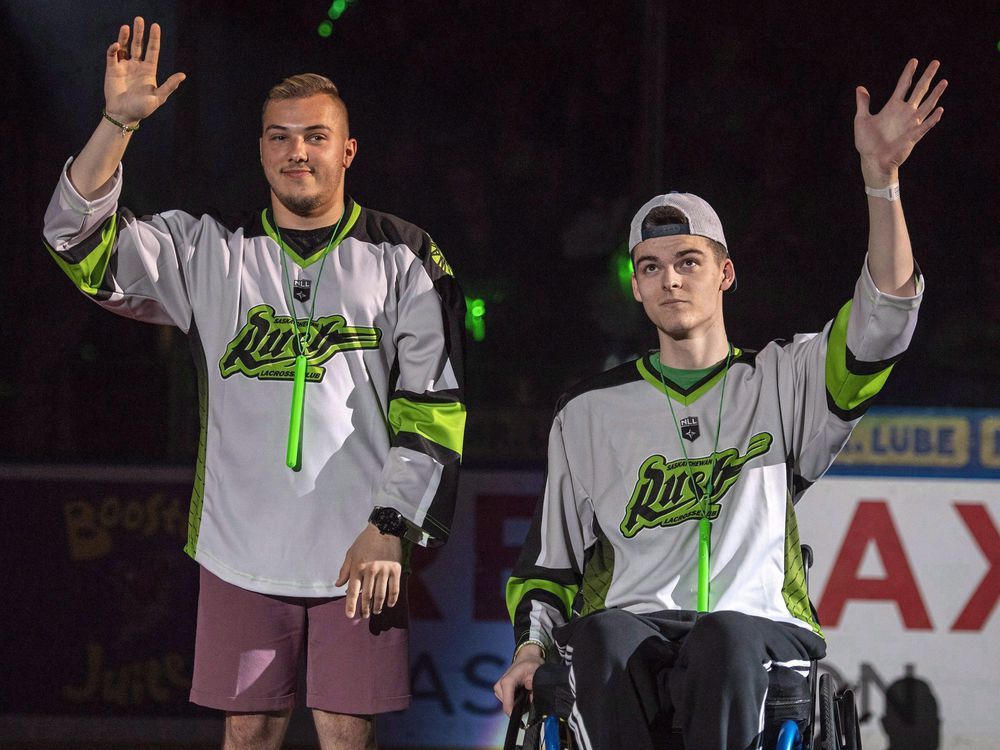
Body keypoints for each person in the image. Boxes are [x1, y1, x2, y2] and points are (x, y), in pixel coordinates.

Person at [494, 58, 946, 750]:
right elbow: (549, 567)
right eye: (652, 267)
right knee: (605, 632)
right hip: (633, 630)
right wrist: (530, 651)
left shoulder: (782, 379)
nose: (670, 279)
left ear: (725, 274)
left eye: (689, 262)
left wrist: (881, 181)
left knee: (724, 636)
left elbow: (884, 319)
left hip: (756, 628)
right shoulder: (586, 412)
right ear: (637, 288)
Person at [43, 17, 465, 750]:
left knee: (346, 738)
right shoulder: (210, 251)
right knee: (248, 736)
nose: (296, 150)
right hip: (241, 549)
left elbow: (435, 410)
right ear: (261, 150)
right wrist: (116, 124)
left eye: (314, 136)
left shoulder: (407, 257)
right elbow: (76, 242)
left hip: (359, 551)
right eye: (278, 136)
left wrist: (390, 526)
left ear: (348, 151)